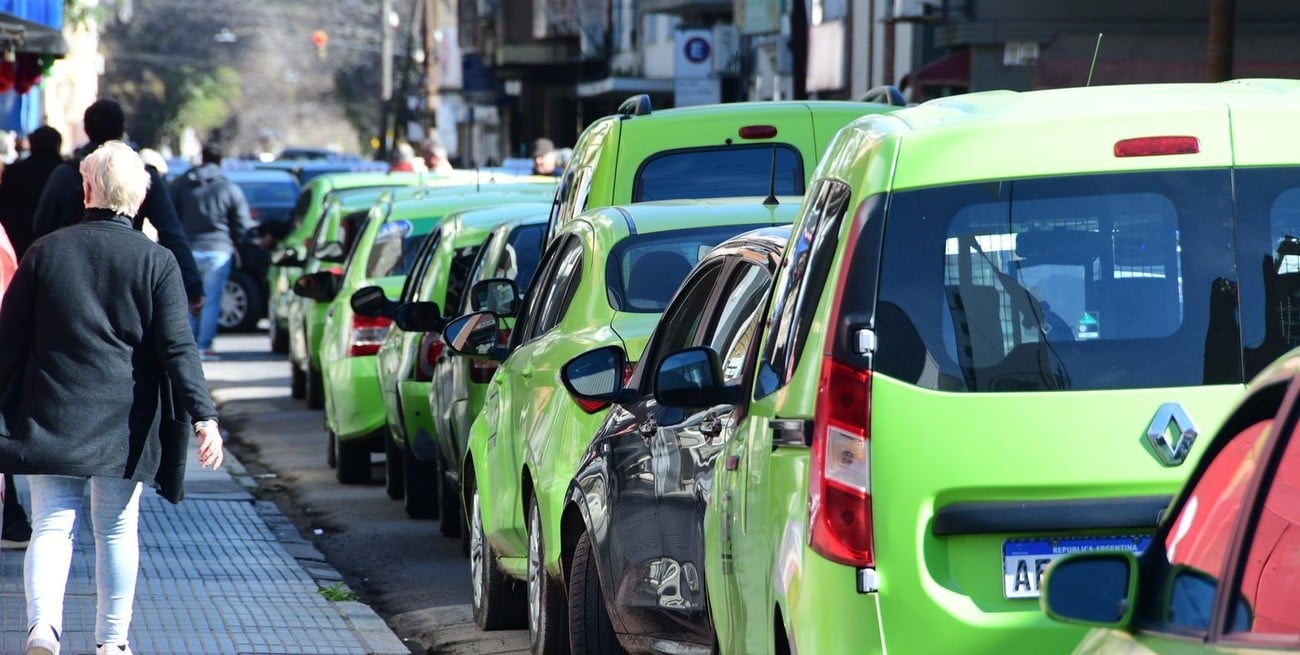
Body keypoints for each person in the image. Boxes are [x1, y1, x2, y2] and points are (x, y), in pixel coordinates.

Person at [0, 141, 224, 655]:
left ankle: (42, 631)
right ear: (140, 198)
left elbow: (7, 344)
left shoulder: (45, 253)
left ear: (86, 189)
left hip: (50, 412)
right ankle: (112, 643)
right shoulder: (156, 261)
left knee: (52, 525)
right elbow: (177, 348)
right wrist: (203, 417)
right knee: (116, 529)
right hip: (124, 423)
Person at [30, 99, 205, 316]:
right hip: (128, 279)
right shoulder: (142, 175)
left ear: (86, 130)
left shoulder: (65, 174)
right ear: (122, 129)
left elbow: (41, 226)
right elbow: (171, 232)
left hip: (69, 283)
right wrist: (193, 284)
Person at [168, 141, 255, 358]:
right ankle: (204, 346)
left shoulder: (183, 185)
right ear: (220, 161)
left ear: (202, 158)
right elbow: (242, 224)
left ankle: (186, 347)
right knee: (212, 299)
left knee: (188, 299)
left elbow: (169, 214)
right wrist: (241, 244)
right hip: (219, 250)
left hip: (188, 249)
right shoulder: (228, 188)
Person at [0, 125, 64, 258]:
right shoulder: (66, 174)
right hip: (56, 250)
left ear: (32, 144)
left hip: (17, 245)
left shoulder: (12, 172)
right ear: (58, 145)